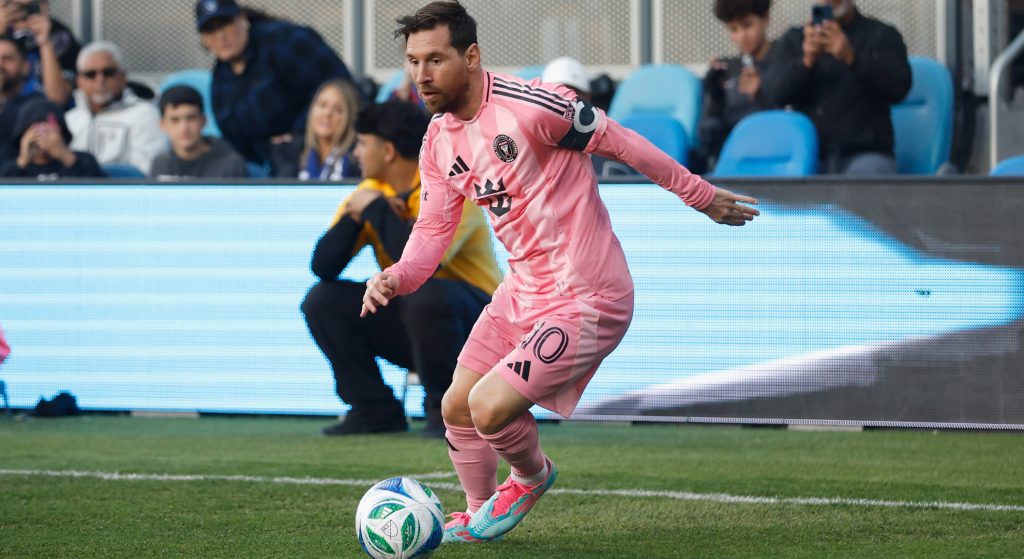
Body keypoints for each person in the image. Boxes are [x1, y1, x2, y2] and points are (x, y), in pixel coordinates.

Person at [363, 0, 758, 544]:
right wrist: (397, 276)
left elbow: (621, 142)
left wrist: (699, 194)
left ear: (472, 56)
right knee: (456, 404)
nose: (421, 75)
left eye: (434, 59)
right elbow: (432, 233)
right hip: (521, 293)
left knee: (488, 407)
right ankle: (480, 511)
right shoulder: (437, 141)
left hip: (589, 295)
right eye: (412, 61)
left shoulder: (532, 106)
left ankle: (530, 476)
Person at [301, 101, 501, 438]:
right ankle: (374, 409)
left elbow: (422, 263)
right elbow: (323, 266)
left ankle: (448, 412)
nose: (357, 153)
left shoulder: (453, 186)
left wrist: (377, 211)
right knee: (322, 300)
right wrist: (355, 216)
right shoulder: (369, 193)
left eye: (363, 144)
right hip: (419, 324)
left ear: (388, 151)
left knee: (426, 293)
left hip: (481, 328)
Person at [196, 0, 354, 175]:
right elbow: (236, 142)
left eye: (225, 24)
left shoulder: (285, 40)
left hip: (327, 146)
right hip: (273, 164)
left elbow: (340, 85)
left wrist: (298, 132)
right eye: (210, 30)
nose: (220, 36)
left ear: (242, 19)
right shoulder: (219, 81)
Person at [759, 0, 911, 175]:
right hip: (806, 157)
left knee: (866, 183)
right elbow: (773, 93)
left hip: (864, 154)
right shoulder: (794, 40)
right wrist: (806, 61)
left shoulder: (882, 35)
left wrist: (851, 58)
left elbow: (899, 88)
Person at [65, 41, 167, 175]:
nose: (100, 80)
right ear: (79, 81)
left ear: (123, 77)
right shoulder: (69, 119)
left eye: (108, 72)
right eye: (91, 74)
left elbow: (146, 171)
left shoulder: (145, 113)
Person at [697, 0, 777, 171]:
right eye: (733, 29)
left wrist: (762, 92)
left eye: (747, 26)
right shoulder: (726, 69)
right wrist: (715, 95)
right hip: (735, 165)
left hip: (776, 160)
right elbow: (708, 134)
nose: (741, 36)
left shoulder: (787, 64)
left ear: (766, 19)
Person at [151, 85, 247, 180]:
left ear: (203, 121)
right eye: (175, 120)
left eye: (191, 118)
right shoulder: (159, 164)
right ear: (162, 125)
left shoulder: (232, 164)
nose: (184, 127)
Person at [1, 97, 104, 179]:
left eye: (49, 129)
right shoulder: (11, 167)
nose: (42, 135)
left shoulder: (83, 161)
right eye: (34, 129)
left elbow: (100, 188)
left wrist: (64, 155)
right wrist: (23, 160)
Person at [0, 0, 79, 106]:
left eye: (32, 6)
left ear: (44, 5)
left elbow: (58, 99)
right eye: (17, 6)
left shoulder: (59, 35)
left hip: (43, 113)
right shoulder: (4, 29)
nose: (23, 13)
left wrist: (45, 42)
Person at [297, 79, 362, 181]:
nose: (327, 114)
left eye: (337, 109)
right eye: (322, 105)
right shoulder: (292, 153)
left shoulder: (357, 160)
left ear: (350, 117)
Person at [0, 35, 42, 165]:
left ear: (25, 67)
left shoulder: (37, 104)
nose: (0, 65)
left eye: (7, 59)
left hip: (20, 182)